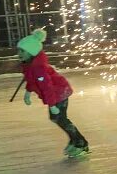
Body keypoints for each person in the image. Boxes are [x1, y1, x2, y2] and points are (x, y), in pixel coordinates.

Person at [17, 28, 89, 157]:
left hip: (59, 92)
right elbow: (31, 80)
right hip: (55, 93)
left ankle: (81, 143)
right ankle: (75, 140)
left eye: (22, 50)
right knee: (57, 118)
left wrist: (52, 105)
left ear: (31, 52)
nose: (19, 53)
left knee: (59, 118)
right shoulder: (29, 64)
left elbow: (47, 87)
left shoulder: (39, 68)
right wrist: (28, 92)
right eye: (19, 50)